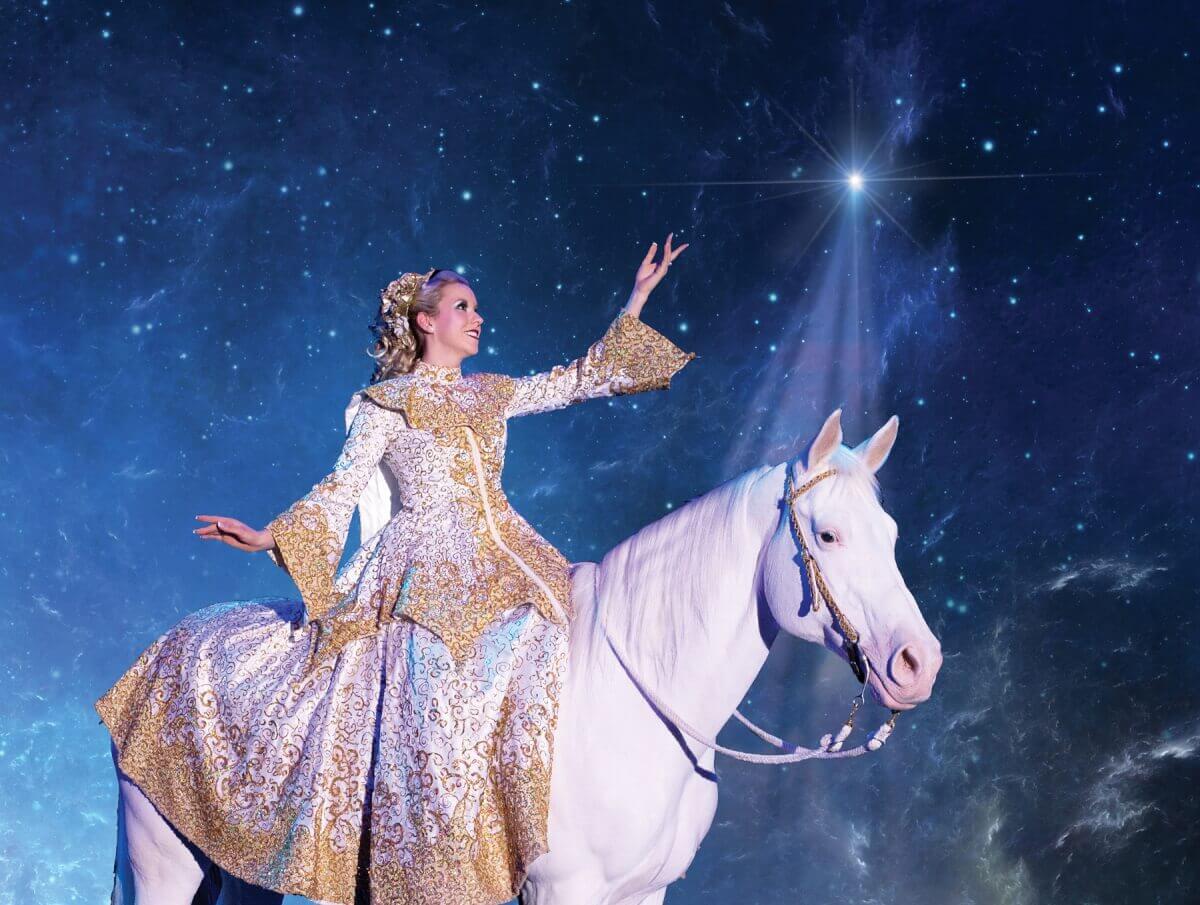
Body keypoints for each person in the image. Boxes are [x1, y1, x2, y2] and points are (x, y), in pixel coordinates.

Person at [94, 235, 696, 905]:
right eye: (463, 307)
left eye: (477, 309)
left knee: (551, 655)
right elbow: (342, 487)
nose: (478, 318)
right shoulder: (388, 404)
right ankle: (405, 853)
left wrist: (637, 298)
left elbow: (580, 378)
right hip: (418, 569)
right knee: (419, 689)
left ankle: (518, 823)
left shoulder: (493, 392)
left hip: (506, 561)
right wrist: (269, 537)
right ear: (426, 320)